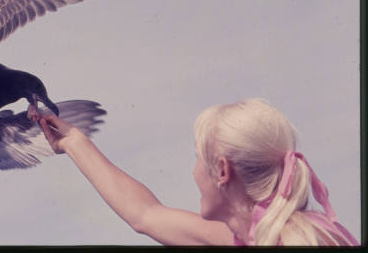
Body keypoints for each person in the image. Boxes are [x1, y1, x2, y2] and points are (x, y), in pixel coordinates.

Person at [38, 98, 359, 246]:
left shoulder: (298, 241)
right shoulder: (251, 236)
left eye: (196, 159)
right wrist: (74, 143)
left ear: (221, 171)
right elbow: (145, 215)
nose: (193, 173)